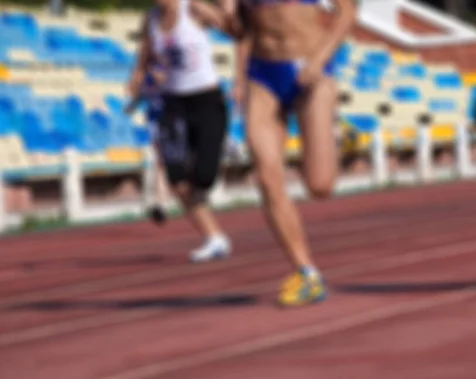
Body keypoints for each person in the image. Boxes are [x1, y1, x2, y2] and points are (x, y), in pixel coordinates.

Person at [230, 0, 357, 307]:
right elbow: (240, 29)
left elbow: (347, 12)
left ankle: (341, 137)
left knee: (320, 186)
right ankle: (306, 272)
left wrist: (320, 58)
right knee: (266, 177)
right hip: (262, 77)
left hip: (310, 70)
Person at [128, 0, 243, 262]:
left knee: (203, 178)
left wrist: (240, 79)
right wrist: (136, 78)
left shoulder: (193, 8)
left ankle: (218, 143)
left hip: (206, 100)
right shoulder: (151, 19)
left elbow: (238, 34)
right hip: (173, 103)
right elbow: (145, 53)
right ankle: (214, 237)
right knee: (177, 177)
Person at [125, 64, 170, 226]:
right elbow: (139, 95)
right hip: (156, 122)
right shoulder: (143, 75)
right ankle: (160, 204)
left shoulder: (165, 67)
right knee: (160, 163)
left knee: (169, 162)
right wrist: (131, 105)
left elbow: (168, 82)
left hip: (175, 118)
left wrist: (153, 71)